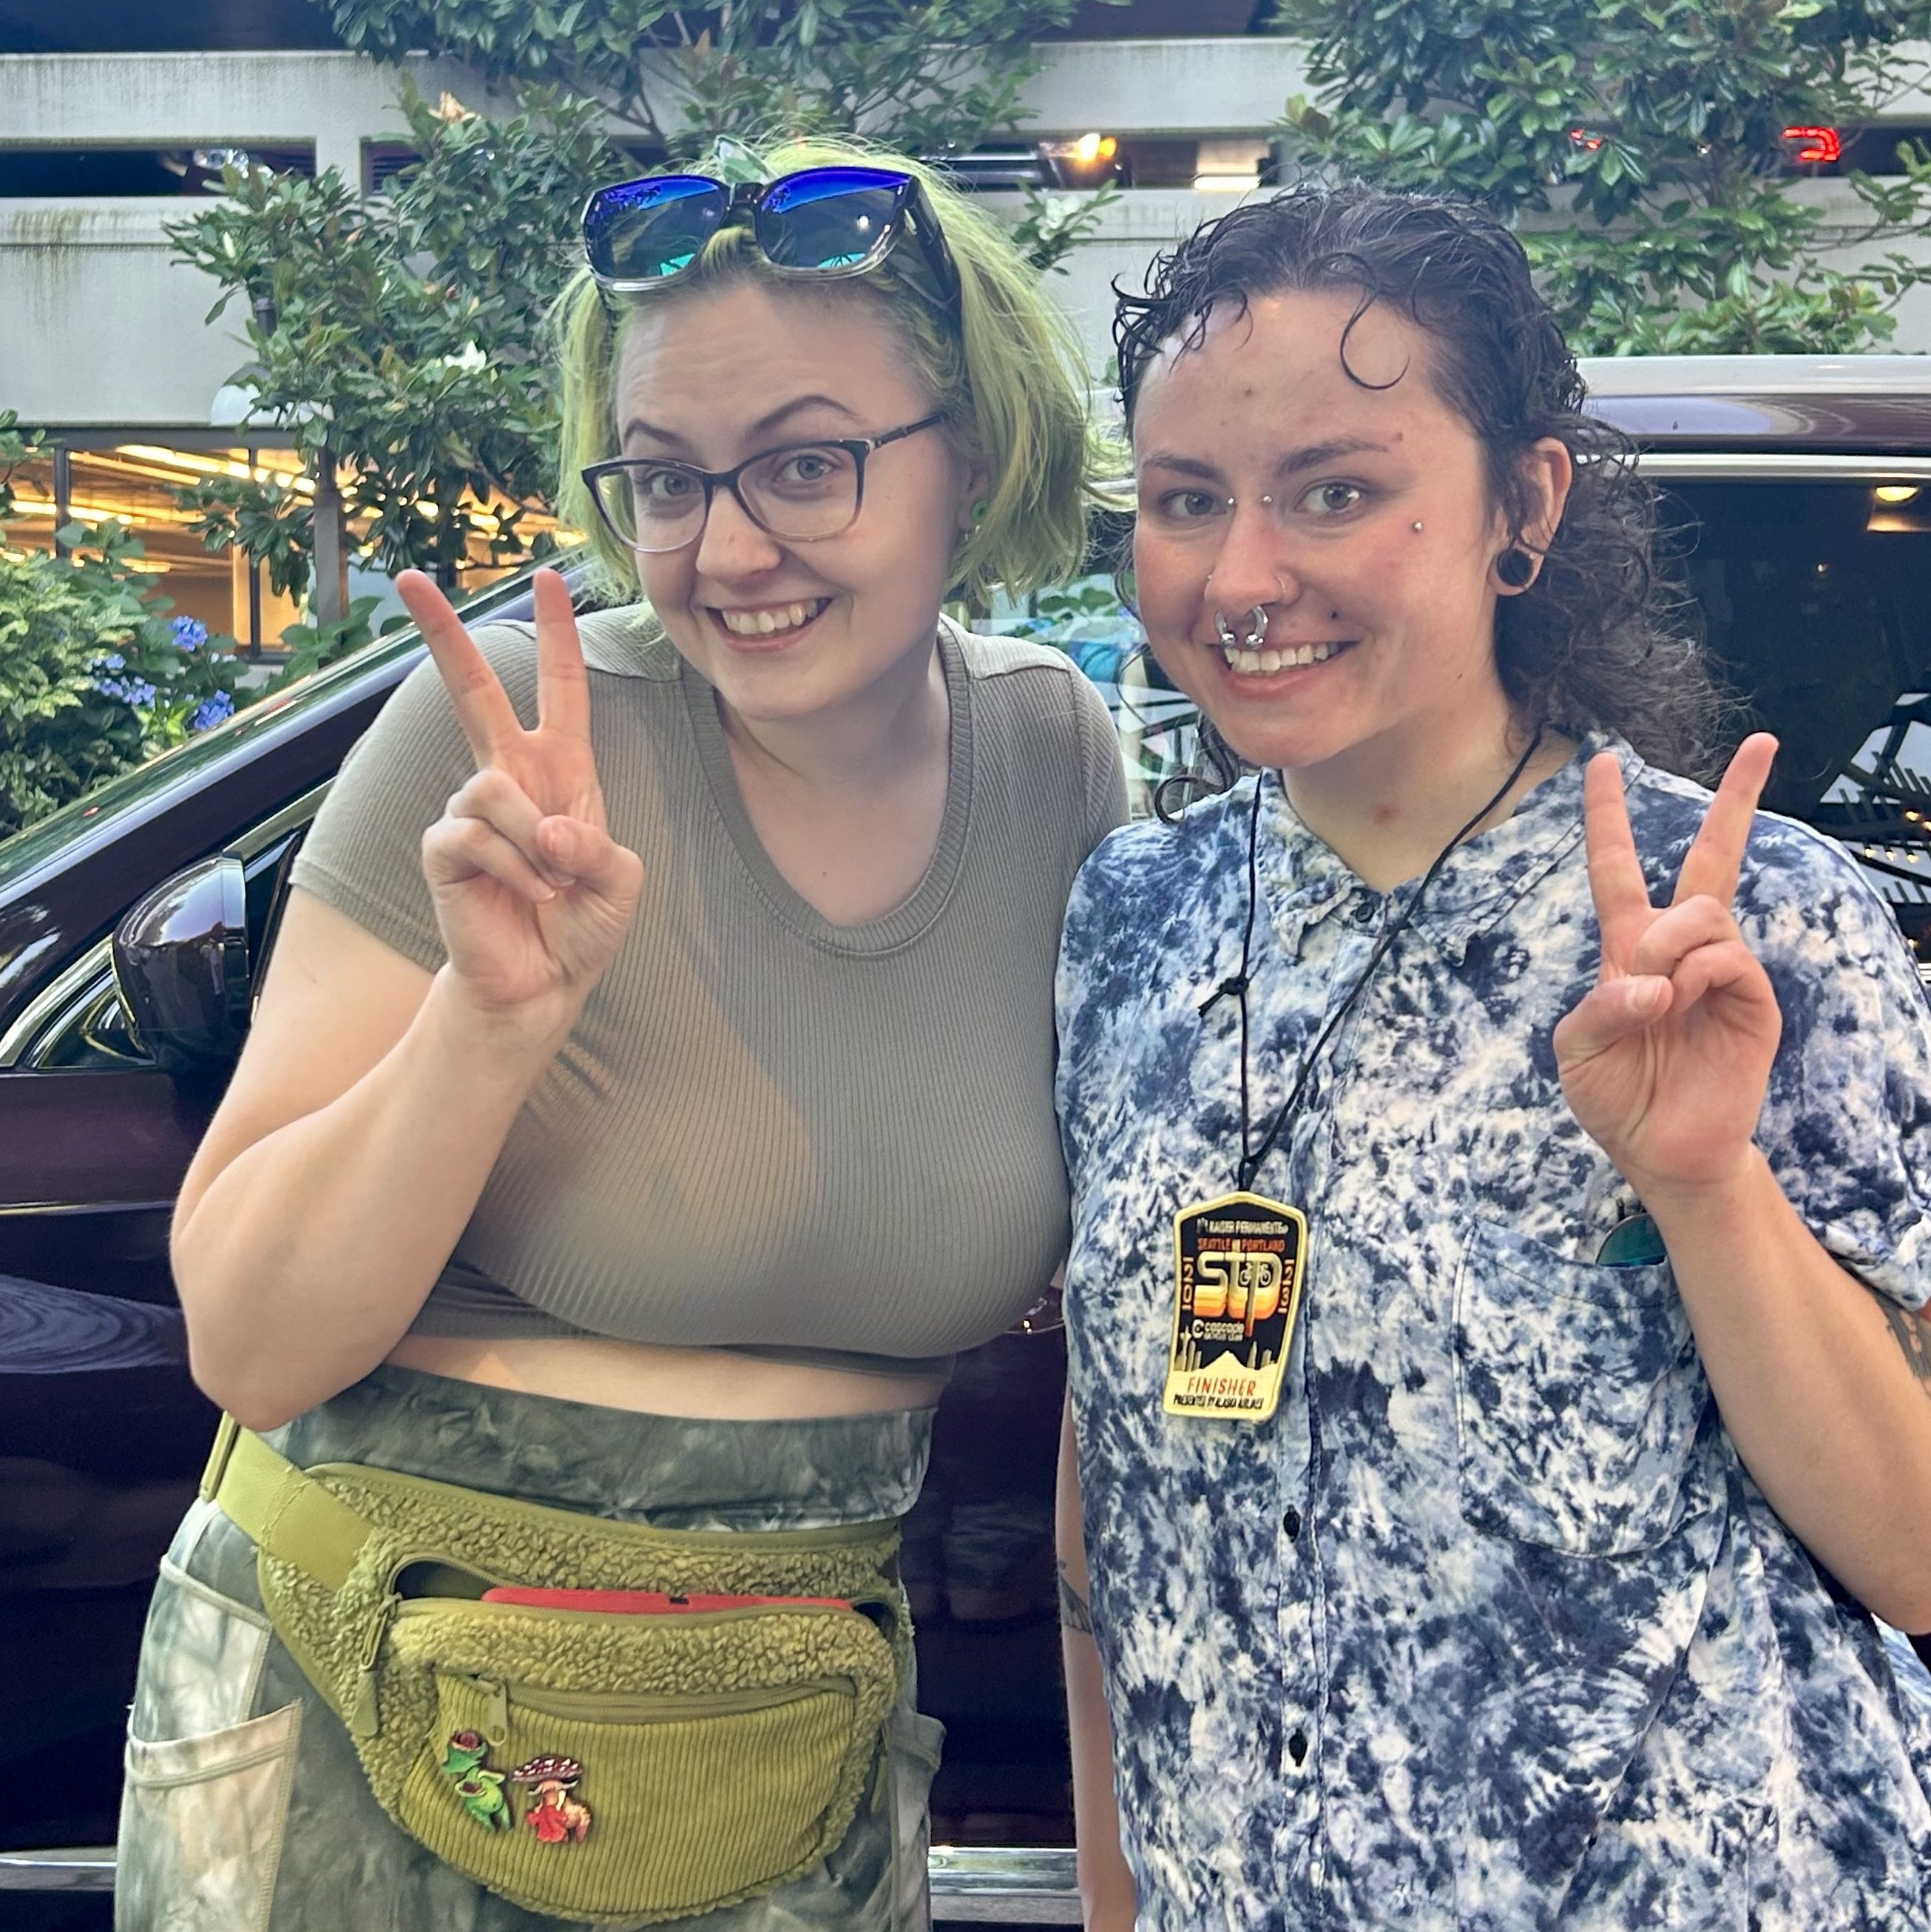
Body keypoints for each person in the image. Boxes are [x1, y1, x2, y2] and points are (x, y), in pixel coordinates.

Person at [115, 137, 1126, 1932]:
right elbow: (252, 1344)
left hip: (792, 1754)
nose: (728, 549)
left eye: (805, 463)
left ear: (971, 451)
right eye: (665, 479)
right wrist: (487, 1017)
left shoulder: (1057, 756)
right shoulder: (505, 743)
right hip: (367, 1724)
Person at [1053, 183, 1931, 1929]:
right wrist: (1116, 1890)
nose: (1241, 577)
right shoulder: (1127, 915)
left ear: (1521, 507)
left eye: (1335, 492)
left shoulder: (1747, 919)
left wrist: (1704, 1184)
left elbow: (1910, 1549)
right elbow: (1116, 1491)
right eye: (1186, 500)